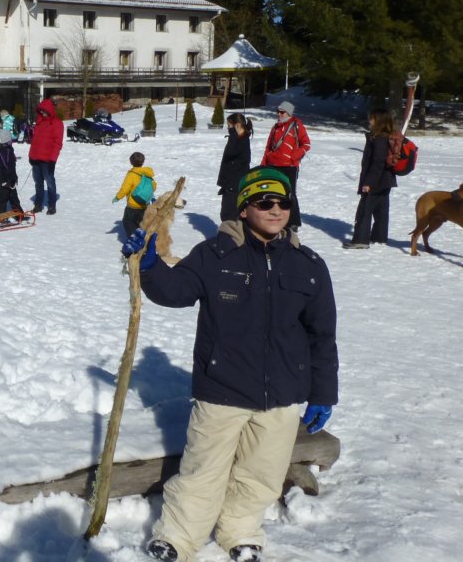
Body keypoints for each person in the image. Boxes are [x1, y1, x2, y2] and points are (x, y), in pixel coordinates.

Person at [123, 166, 338, 562]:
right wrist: (150, 265)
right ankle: (178, 538)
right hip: (222, 388)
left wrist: (323, 393)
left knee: (262, 473)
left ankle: (240, 531)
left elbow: (321, 336)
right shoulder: (214, 255)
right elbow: (175, 291)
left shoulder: (308, 265)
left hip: (283, 395)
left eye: (283, 202)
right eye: (264, 202)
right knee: (202, 469)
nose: (276, 210)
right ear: (243, 209)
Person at [345, 107, 397, 249]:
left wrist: (369, 182)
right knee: (381, 210)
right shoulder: (385, 137)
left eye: (372, 118)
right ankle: (379, 238)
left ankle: (360, 240)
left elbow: (378, 162)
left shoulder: (379, 138)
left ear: (379, 121)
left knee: (364, 210)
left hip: (377, 181)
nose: (369, 120)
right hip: (386, 180)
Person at [260, 101, 310, 230]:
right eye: (278, 112)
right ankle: (277, 219)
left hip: (289, 166)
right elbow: (268, 147)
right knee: (274, 193)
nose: (279, 114)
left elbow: (306, 144)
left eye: (282, 112)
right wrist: (264, 163)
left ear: (289, 113)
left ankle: (293, 222)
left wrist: (293, 157)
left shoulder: (296, 125)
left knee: (290, 193)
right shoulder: (275, 127)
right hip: (273, 165)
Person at [29, 98, 64, 214]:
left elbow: (57, 143)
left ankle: (52, 206)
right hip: (36, 159)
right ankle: (38, 205)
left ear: (49, 110)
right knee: (38, 183)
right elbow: (35, 142)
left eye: (44, 111)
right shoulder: (39, 123)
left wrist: (53, 160)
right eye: (41, 111)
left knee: (50, 183)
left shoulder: (57, 123)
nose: (42, 113)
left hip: (48, 161)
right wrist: (31, 156)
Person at [217, 113, 253, 222]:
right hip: (230, 183)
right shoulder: (238, 138)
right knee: (226, 213)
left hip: (234, 184)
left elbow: (230, 153)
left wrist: (233, 133)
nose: (228, 129)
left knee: (229, 214)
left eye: (229, 126)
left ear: (237, 125)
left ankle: (231, 231)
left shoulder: (242, 139)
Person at [113, 151, 157, 237]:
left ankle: (134, 239)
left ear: (131, 162)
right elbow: (153, 186)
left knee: (128, 221)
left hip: (133, 205)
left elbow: (125, 188)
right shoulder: (146, 173)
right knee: (141, 222)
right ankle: (145, 238)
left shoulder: (131, 174)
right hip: (144, 204)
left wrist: (117, 197)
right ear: (143, 162)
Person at [0, 141, 24, 222]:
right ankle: (1, 217)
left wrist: (13, 178)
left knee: (12, 198)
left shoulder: (6, 150)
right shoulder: (6, 151)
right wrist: (9, 179)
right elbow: (8, 166)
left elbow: (10, 166)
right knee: (5, 199)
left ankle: (19, 216)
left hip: (9, 179)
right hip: (7, 180)